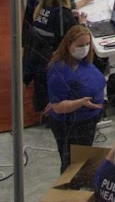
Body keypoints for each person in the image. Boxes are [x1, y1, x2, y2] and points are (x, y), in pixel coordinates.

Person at [45, 24, 106, 169]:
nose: (85, 48)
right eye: (80, 45)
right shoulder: (59, 71)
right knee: (72, 165)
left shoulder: (84, 61)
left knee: (83, 161)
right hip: (73, 125)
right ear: (68, 45)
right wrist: (80, 102)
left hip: (89, 120)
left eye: (87, 44)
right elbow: (57, 107)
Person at [26, 0, 90, 111]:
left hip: (40, 59)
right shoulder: (63, 15)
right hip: (56, 58)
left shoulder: (41, 8)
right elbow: (78, 37)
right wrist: (83, 23)